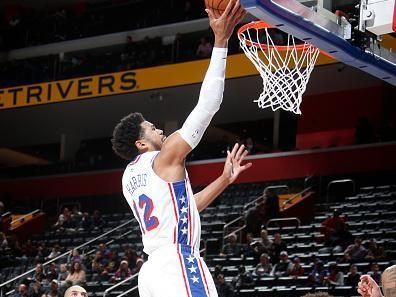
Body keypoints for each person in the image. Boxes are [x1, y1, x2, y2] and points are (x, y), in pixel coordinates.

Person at [111, 1, 247, 297]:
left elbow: (183, 208)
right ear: (141, 143)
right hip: (177, 262)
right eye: (151, 127)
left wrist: (224, 179)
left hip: (152, 273)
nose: (159, 129)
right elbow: (209, 105)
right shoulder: (164, 157)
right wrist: (222, 41)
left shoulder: (129, 178)